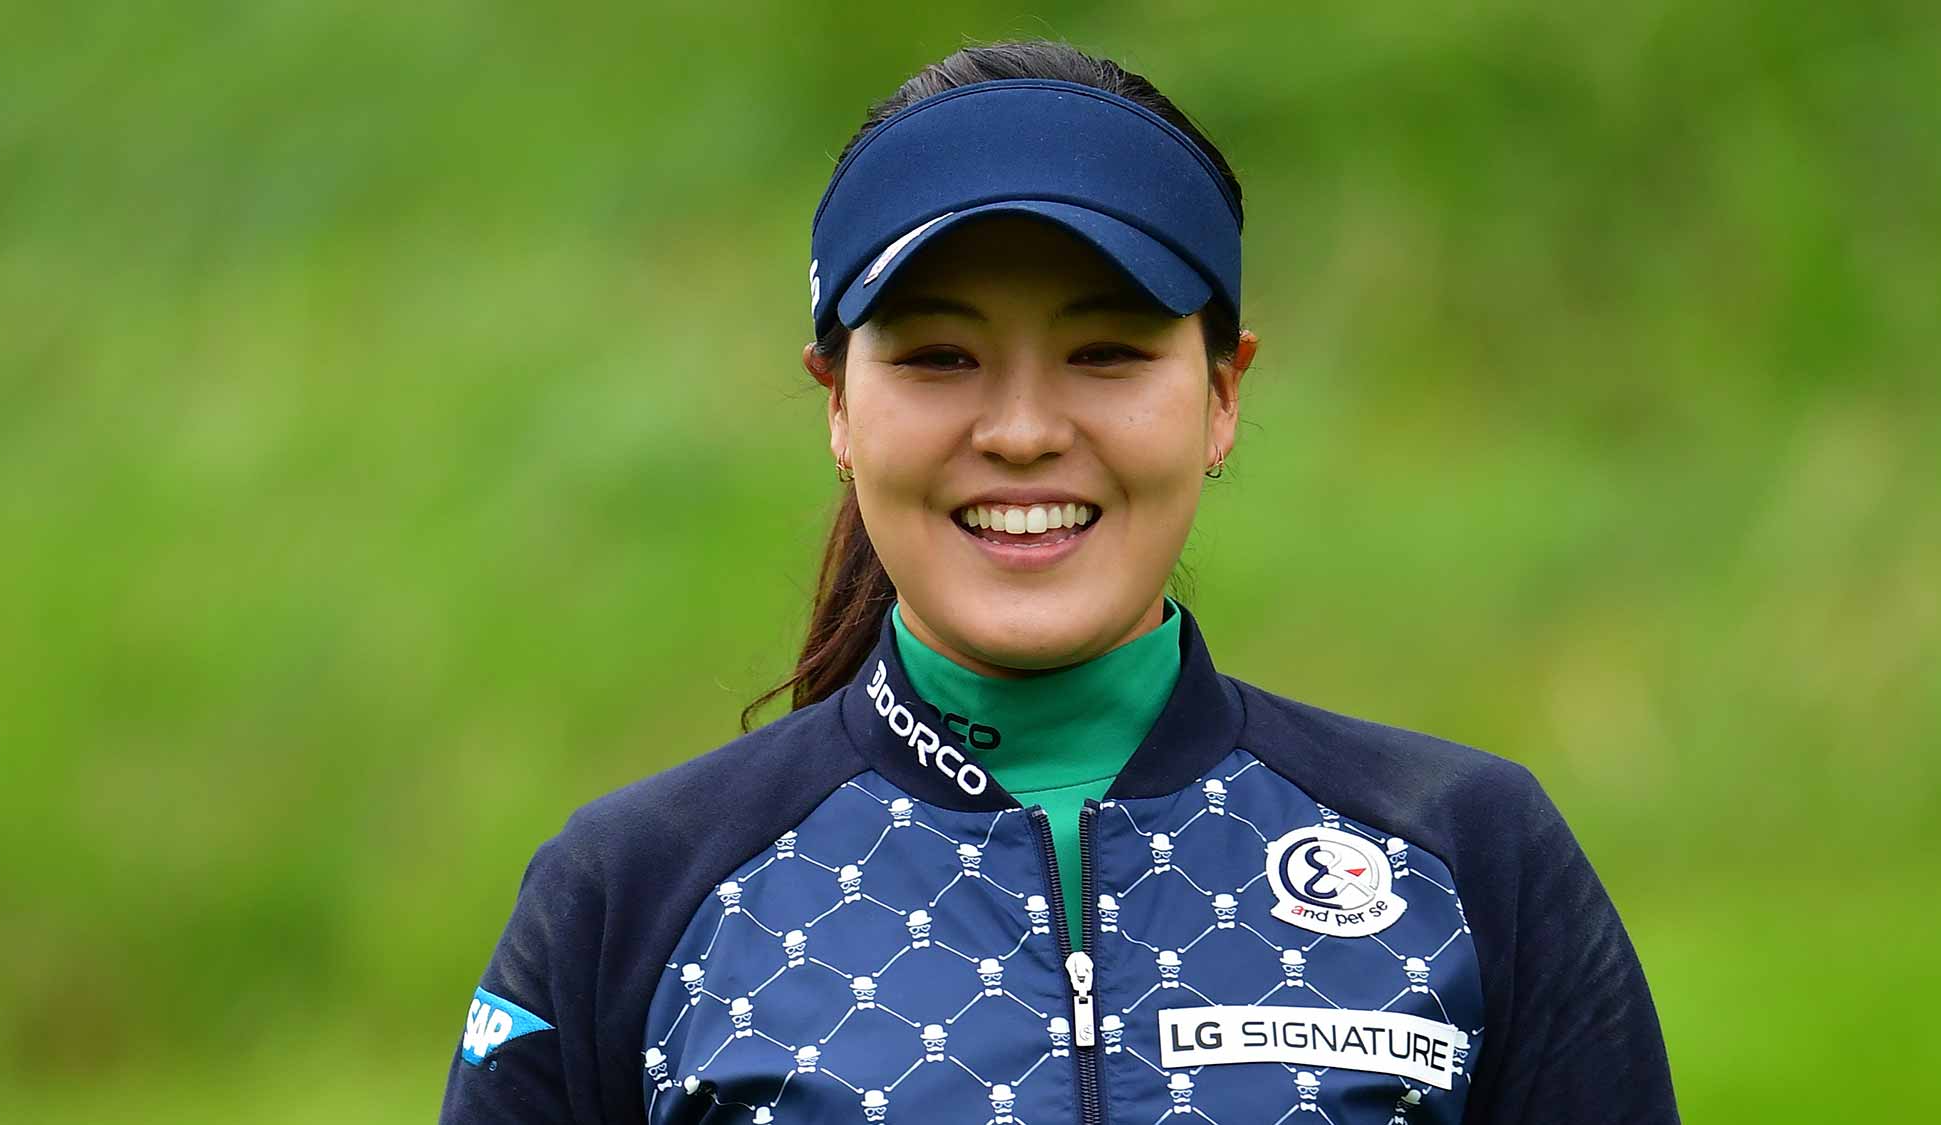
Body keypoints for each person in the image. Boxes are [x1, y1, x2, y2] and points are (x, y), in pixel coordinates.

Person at [439, 40, 1679, 1125]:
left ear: (1222, 393)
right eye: (937, 356)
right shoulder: (629, 897)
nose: (1023, 429)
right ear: (837, 406)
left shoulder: (1468, 861)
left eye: (1103, 351)